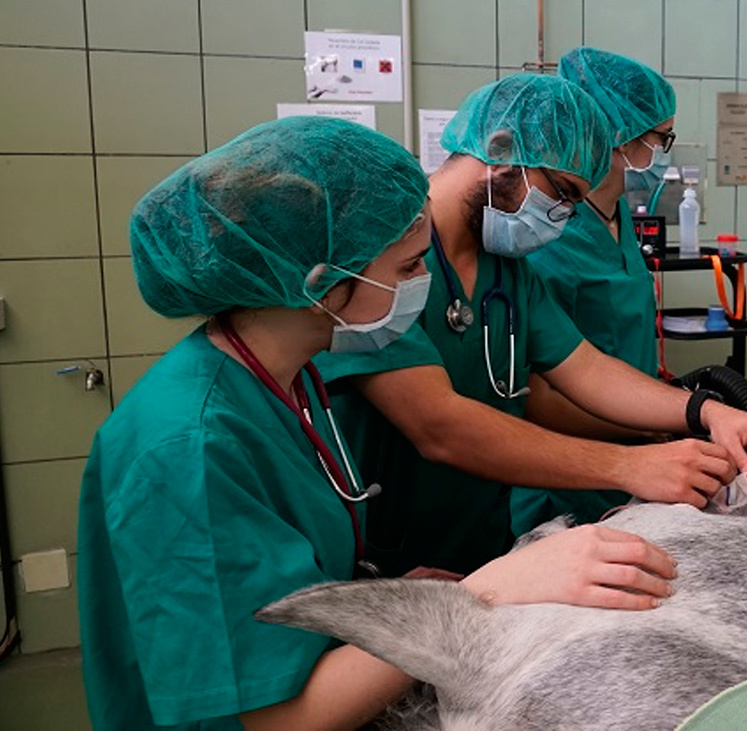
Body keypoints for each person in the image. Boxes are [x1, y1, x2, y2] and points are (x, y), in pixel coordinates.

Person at [77, 116, 679, 731]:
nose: (422, 283)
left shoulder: (288, 380)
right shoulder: (191, 448)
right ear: (320, 283)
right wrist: (473, 597)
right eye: (408, 267)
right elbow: (276, 720)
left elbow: (287, 583)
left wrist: (383, 601)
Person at [316, 73, 747, 579]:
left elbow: (586, 369)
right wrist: (629, 466)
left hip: (477, 547)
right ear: (501, 150)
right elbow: (439, 426)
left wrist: (703, 410)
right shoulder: (382, 261)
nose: (561, 216)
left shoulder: (507, 271)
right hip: (386, 562)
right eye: (561, 192)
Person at [513, 47, 677, 530]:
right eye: (660, 139)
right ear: (619, 135)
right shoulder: (550, 231)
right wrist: (652, 424)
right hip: (569, 471)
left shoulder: (617, 212)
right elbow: (541, 393)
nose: (662, 155)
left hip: (636, 447)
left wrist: (662, 412)